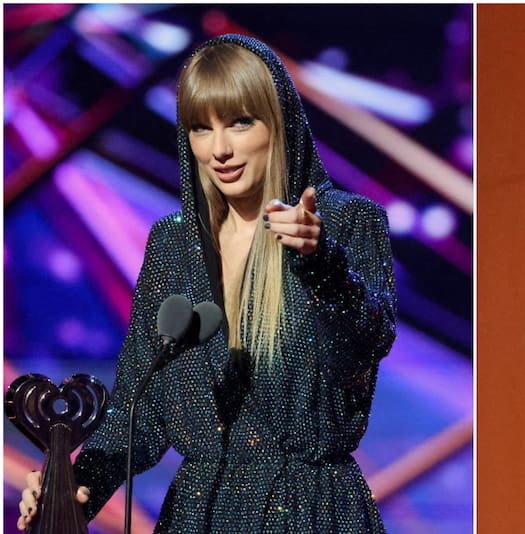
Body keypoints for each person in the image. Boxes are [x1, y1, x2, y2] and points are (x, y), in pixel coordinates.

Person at [18, 34, 396, 532]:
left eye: (239, 122)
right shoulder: (172, 244)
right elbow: (141, 406)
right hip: (198, 513)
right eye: (201, 128)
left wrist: (321, 261)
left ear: (279, 122)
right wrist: (75, 486)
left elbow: (370, 339)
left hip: (311, 510)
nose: (219, 149)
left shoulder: (346, 223)